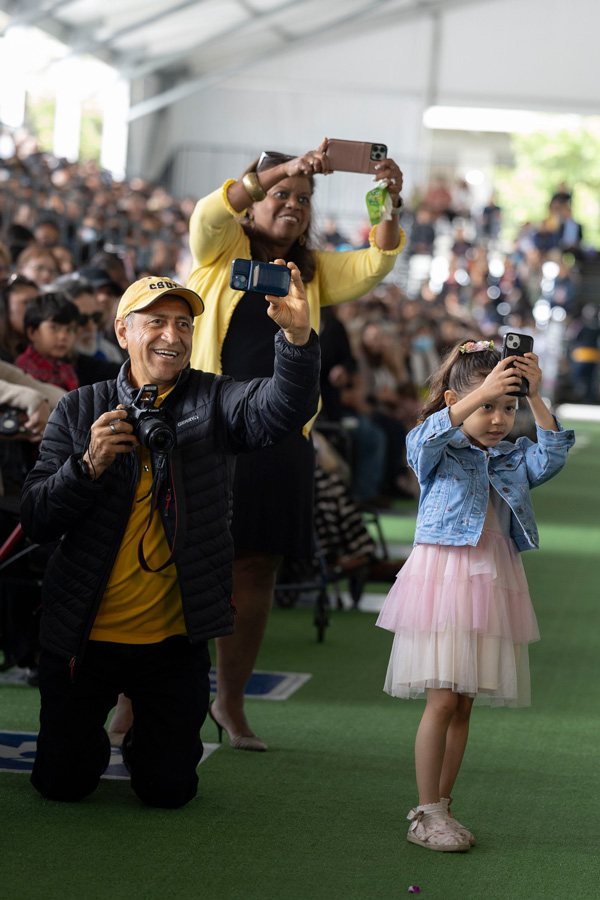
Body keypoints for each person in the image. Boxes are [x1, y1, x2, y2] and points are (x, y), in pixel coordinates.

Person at [20, 268, 320, 808]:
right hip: (81, 639)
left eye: (183, 324)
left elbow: (282, 410)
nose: (173, 336)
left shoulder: (214, 398)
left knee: (168, 791)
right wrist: (86, 465)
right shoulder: (79, 408)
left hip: (173, 643)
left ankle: (148, 742)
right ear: (122, 331)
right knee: (62, 785)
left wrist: (296, 340)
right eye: (156, 322)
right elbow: (38, 517)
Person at [181, 139, 405, 750]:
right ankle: (133, 704)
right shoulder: (218, 248)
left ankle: (229, 704)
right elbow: (209, 213)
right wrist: (280, 169)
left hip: (280, 438)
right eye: (281, 194)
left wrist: (387, 203)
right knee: (175, 564)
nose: (293, 204)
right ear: (253, 200)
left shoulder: (309, 271)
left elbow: (376, 262)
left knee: (255, 568)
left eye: (303, 198)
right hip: (205, 430)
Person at [375, 339, 574, 852]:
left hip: (491, 581)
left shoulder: (512, 459)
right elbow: (419, 441)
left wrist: (533, 396)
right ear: (454, 402)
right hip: (444, 581)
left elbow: (552, 454)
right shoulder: (438, 453)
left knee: (463, 705)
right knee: (442, 700)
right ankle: (425, 811)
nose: (497, 418)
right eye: (487, 406)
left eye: (506, 408)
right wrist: (477, 395)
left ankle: (442, 806)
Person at [14, 293, 80, 392]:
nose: (63, 337)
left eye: (69, 330)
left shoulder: (66, 369)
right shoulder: (24, 369)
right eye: (54, 328)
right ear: (32, 332)